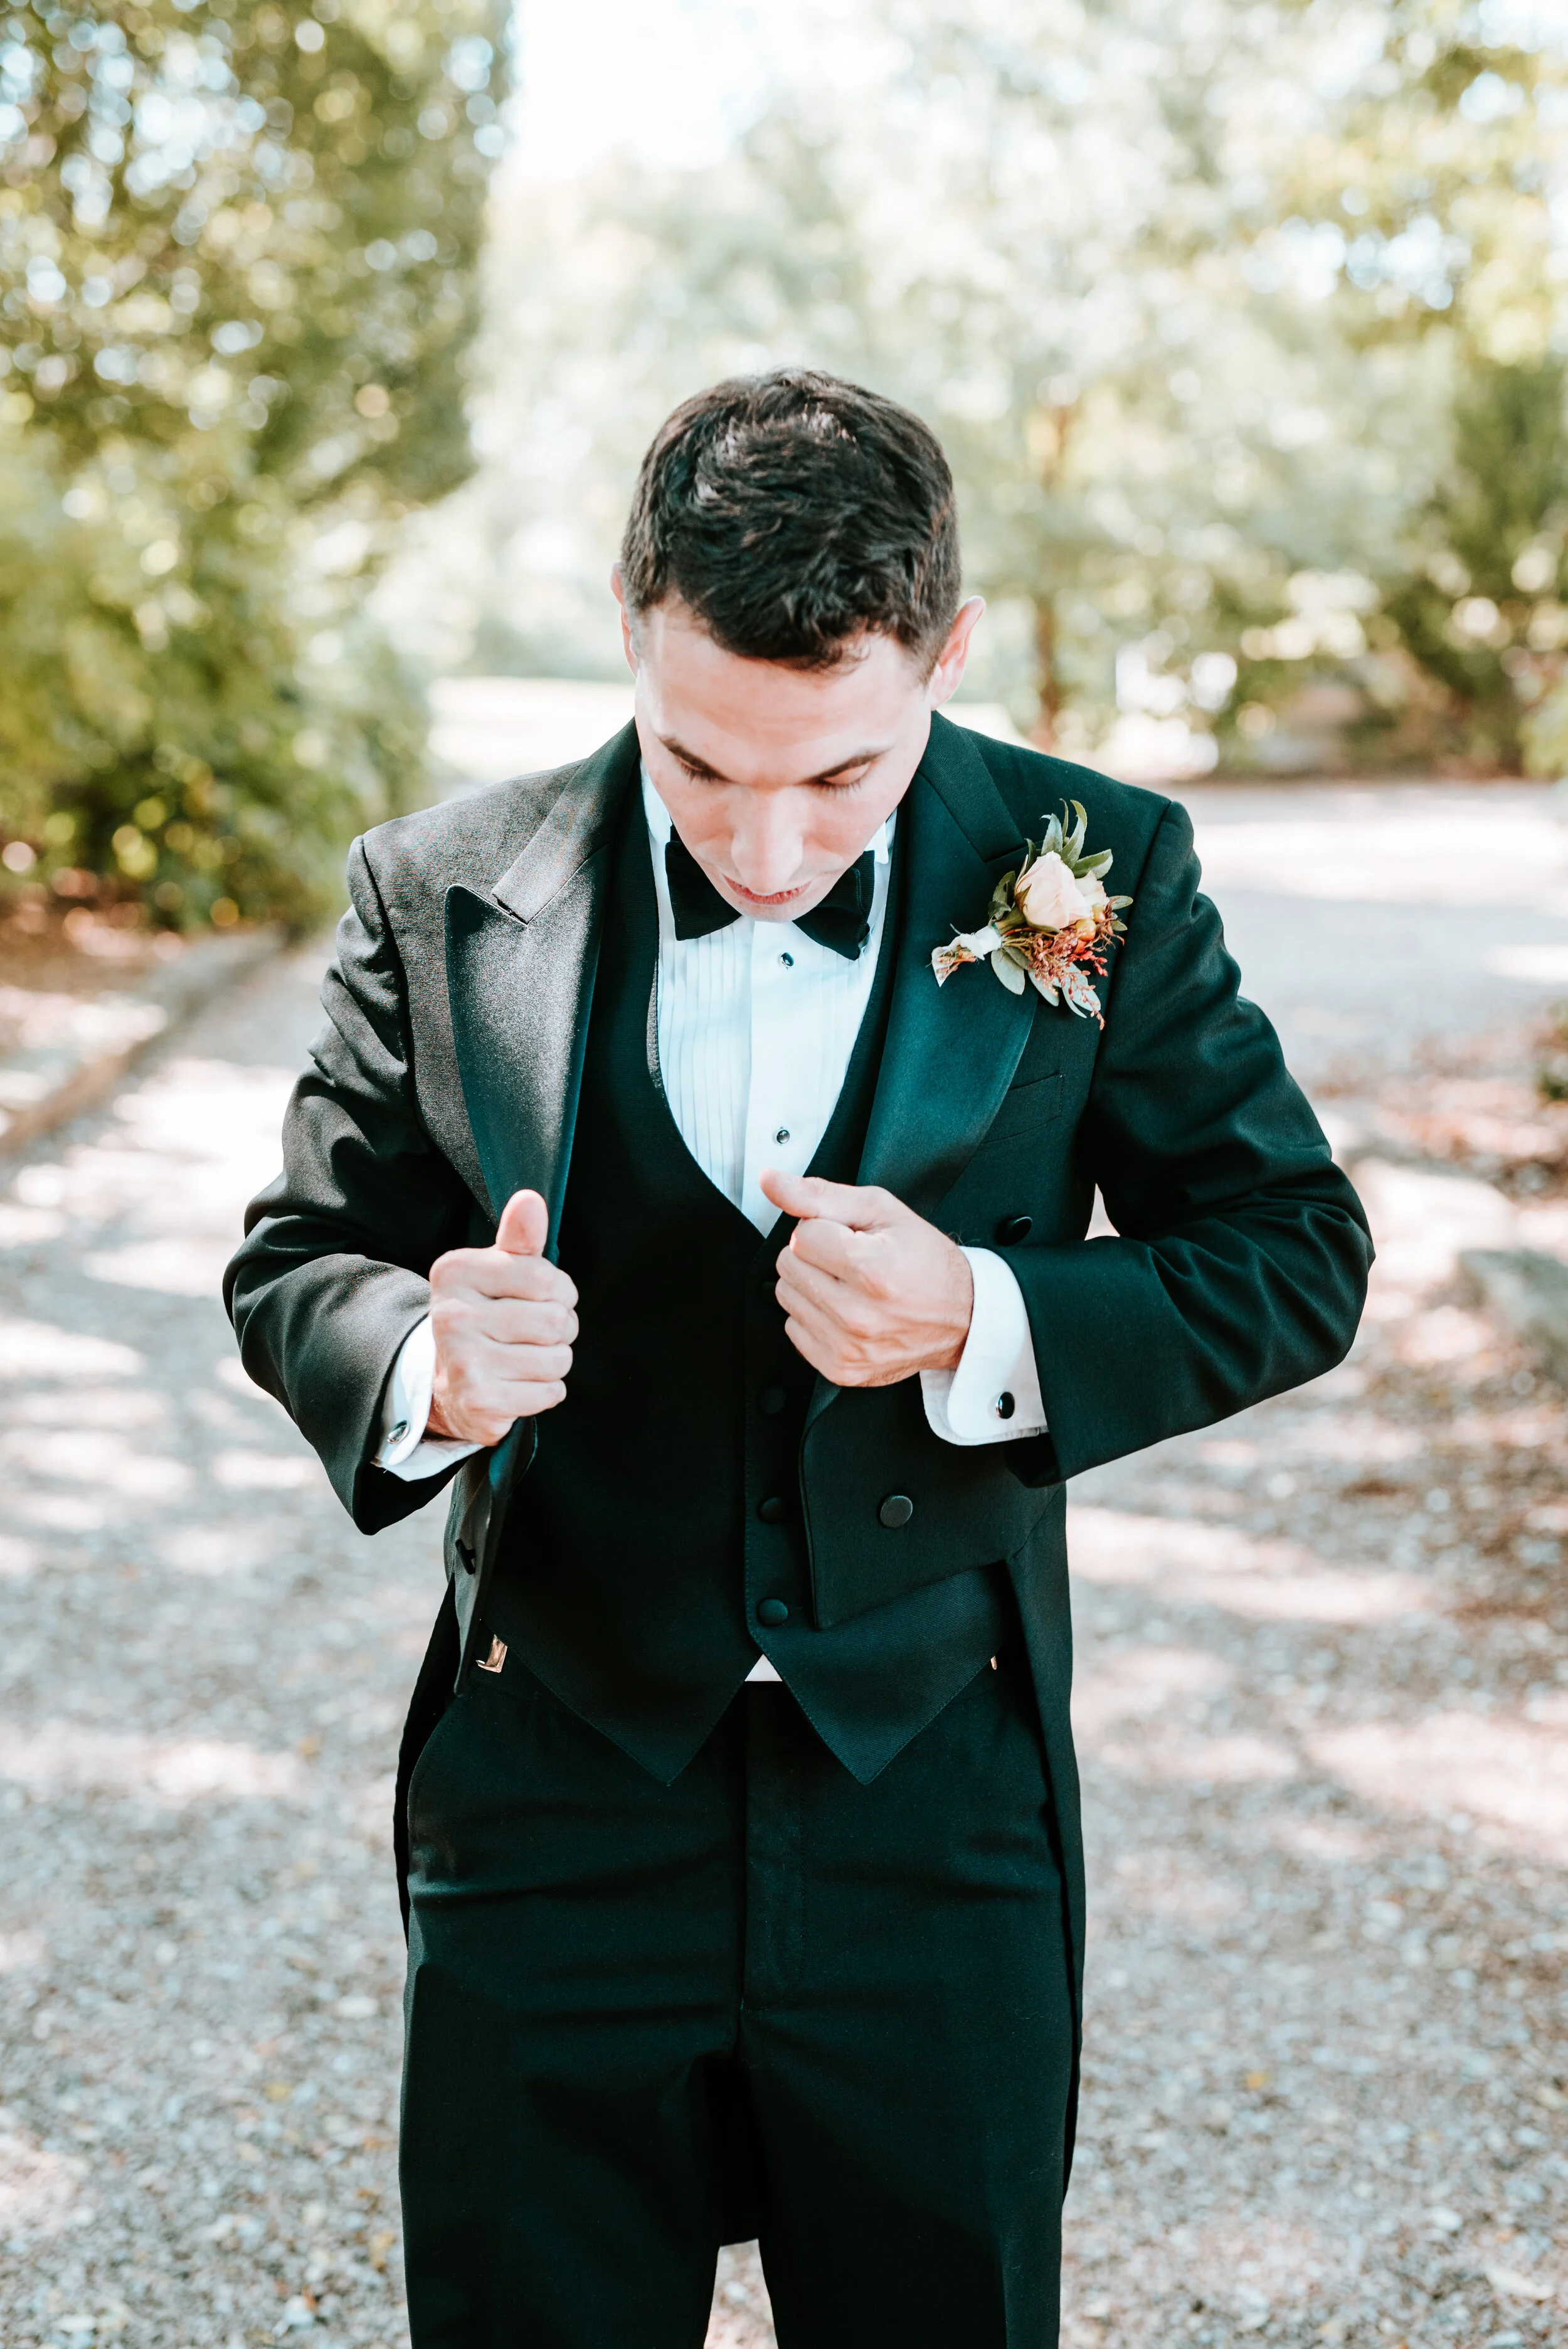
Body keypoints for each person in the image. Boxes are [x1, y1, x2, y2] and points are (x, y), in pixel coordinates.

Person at [226, 369, 1371, 2347]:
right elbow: (296, 1263)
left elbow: (1294, 1251)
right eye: (700, 764)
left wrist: (985, 1319)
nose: (765, 843)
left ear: (948, 651)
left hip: (935, 1794)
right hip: (554, 1779)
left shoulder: (1094, 863)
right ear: (629, 631)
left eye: (839, 778)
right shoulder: (437, 889)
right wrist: (424, 1354)